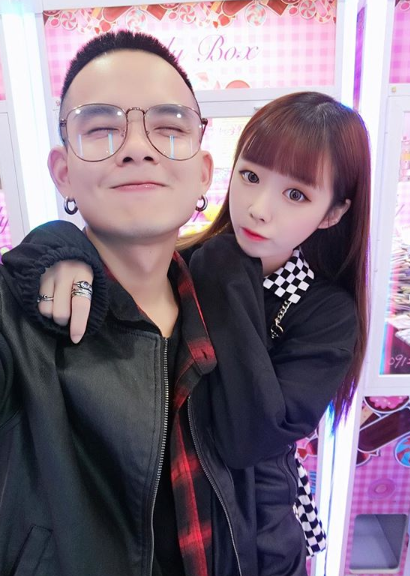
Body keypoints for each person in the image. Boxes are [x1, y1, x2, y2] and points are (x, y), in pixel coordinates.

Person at [0, 35, 370, 576]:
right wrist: (54, 247)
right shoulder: (187, 266)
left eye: (296, 194)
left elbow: (251, 438)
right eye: (251, 177)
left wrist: (226, 269)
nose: (259, 209)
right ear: (62, 171)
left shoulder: (310, 307)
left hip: (258, 535)